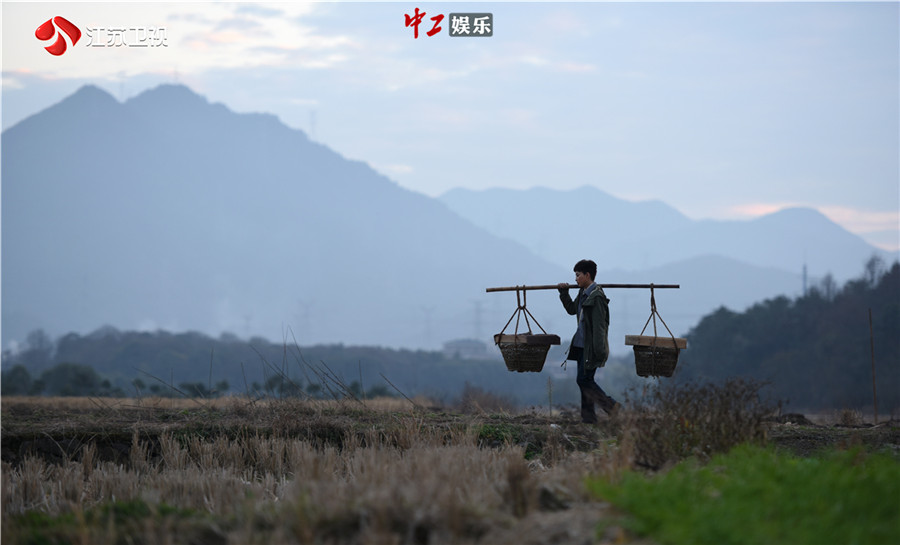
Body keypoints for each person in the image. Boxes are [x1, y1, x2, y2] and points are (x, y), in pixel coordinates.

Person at [558, 259, 619, 423]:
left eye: (578, 275)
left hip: (590, 348)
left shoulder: (597, 297)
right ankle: (589, 417)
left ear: (587, 275)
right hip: (580, 345)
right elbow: (572, 310)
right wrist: (563, 293)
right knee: (585, 381)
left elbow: (600, 327)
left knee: (583, 380)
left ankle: (611, 407)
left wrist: (599, 351)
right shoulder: (582, 293)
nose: (576, 279)